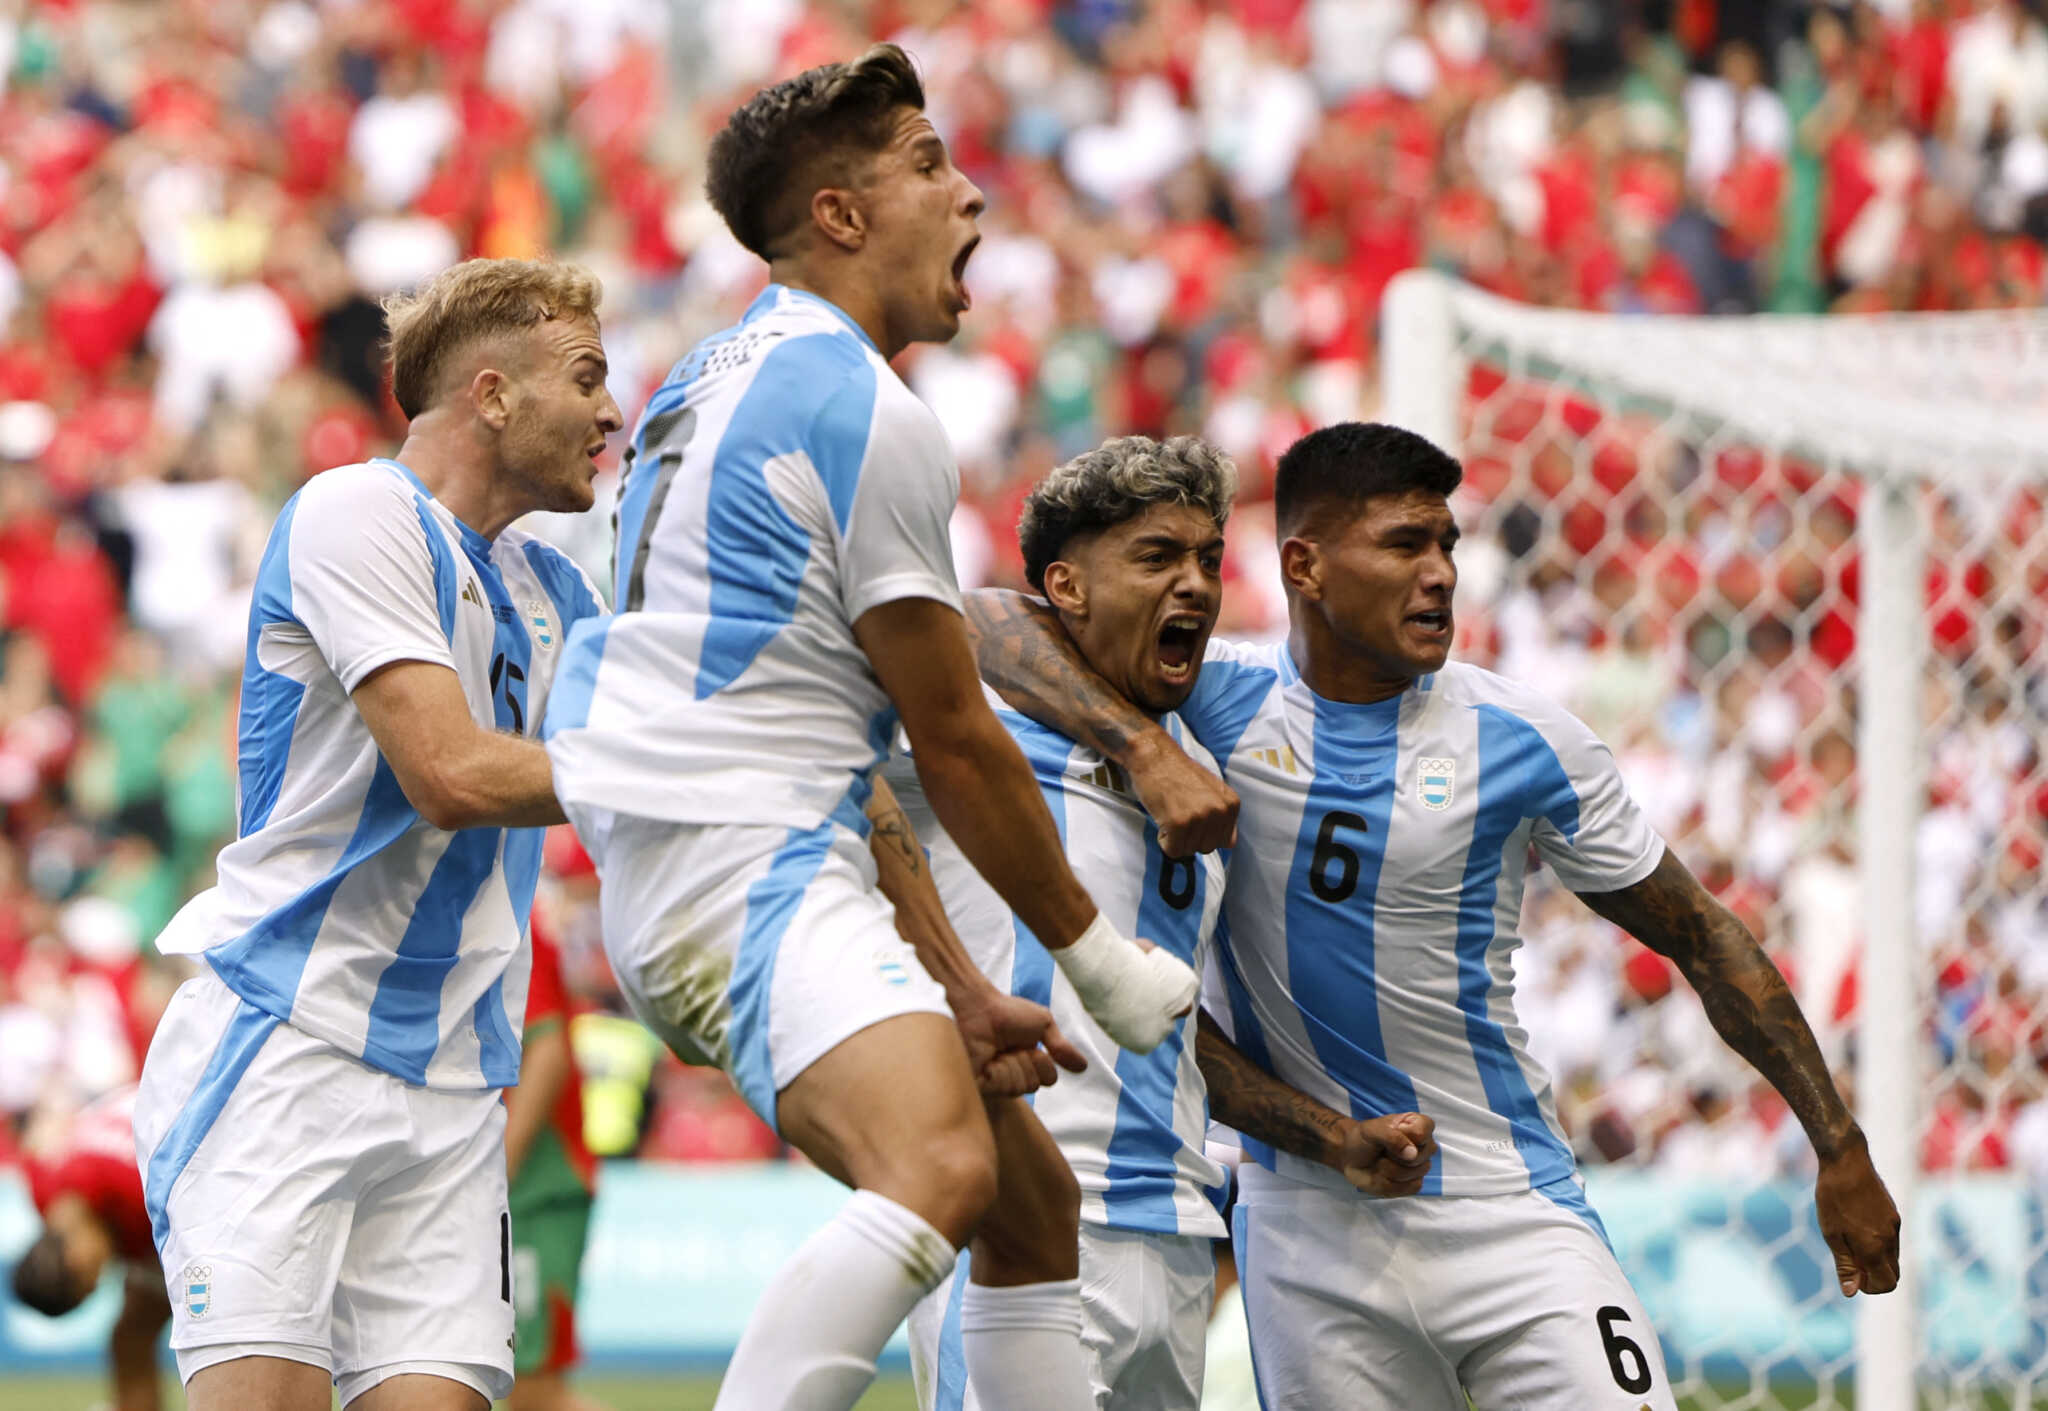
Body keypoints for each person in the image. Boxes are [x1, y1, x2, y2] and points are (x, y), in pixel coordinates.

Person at [966, 421, 1903, 1410]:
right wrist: (1144, 748)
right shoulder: (1209, 705)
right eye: (1404, 543)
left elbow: (1701, 935)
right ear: (1304, 566)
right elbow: (987, 619)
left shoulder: (1522, 739)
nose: (1440, 572)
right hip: (1306, 1230)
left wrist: (1837, 1143)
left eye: (1445, 543)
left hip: (1506, 1203)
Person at [540, 44, 1197, 1411]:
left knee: (1030, 1208)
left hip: (728, 846)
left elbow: (859, 758)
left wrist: (960, 980)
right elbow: (952, 735)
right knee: (940, 1167)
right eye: (926, 166)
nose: (969, 196)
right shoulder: (861, 407)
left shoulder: (708, 378)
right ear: (839, 215)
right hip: (739, 854)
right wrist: (1097, 960)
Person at [132, 257, 619, 1411]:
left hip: (454, 1088)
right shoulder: (357, 512)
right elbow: (448, 772)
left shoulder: (558, 592)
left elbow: (683, 753)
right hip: (288, 1050)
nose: (610, 412)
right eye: (586, 377)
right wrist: (688, 768)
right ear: (491, 394)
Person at [894, 434, 1438, 1411]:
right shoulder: (971, 726)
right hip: (1015, 1218)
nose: (1193, 582)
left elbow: (1166, 1025)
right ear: (1065, 585)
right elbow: (964, 619)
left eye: (1206, 558)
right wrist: (1140, 749)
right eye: (1155, 556)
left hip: (1178, 1230)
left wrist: (1330, 1137)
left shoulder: (1203, 768)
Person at [504, 909, 608, 1411]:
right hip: (521, 1185)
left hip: (534, 1187)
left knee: (533, 1390)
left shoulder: (508, 921)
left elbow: (547, 1055)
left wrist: (498, 1173)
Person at [11, 1085, 169, 1411]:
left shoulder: (139, 1193)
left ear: (76, 1258)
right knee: (131, 1335)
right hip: (147, 1094)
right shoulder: (45, 1187)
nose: (103, 1276)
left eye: (92, 1281)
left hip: (192, 1119)